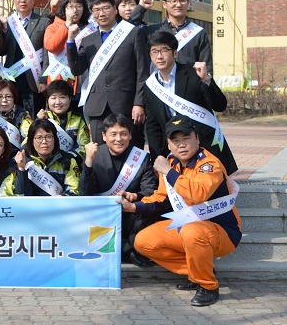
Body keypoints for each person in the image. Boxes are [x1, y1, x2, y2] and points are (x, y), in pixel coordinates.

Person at [124, 117, 241, 307]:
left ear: (197, 138)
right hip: (188, 227)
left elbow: (198, 194)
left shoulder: (209, 164)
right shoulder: (172, 163)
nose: (181, 145)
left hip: (222, 232)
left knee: (192, 231)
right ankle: (198, 271)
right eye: (175, 140)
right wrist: (135, 205)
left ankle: (208, 286)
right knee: (143, 241)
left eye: (186, 138)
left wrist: (168, 172)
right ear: (169, 144)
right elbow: (161, 198)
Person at [144, 31, 237, 174]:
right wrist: (157, 158)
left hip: (204, 147)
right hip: (174, 151)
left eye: (164, 50)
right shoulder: (150, 85)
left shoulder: (194, 73)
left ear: (175, 53)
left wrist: (207, 80)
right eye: (154, 51)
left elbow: (220, 105)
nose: (159, 56)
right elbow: (153, 126)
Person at [67, 0, 149, 146]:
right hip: (97, 105)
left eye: (106, 8)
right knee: (100, 152)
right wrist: (70, 41)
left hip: (126, 104)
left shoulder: (133, 33)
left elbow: (142, 71)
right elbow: (77, 69)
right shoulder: (87, 40)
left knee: (130, 148)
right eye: (96, 10)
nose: (102, 13)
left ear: (115, 9)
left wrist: (139, 103)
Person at [78, 113, 157, 267]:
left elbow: (149, 190)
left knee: (150, 208)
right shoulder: (94, 155)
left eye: (123, 134)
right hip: (101, 213)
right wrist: (88, 163)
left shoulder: (141, 157)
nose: (118, 139)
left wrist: (134, 196)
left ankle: (130, 250)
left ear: (130, 135)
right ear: (104, 136)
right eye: (113, 134)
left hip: (129, 212)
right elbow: (85, 193)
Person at [142, 0, 213, 72]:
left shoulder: (198, 33)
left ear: (188, 2)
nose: (178, 5)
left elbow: (207, 68)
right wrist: (141, 9)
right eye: (173, 1)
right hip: (158, 80)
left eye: (182, 0)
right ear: (164, 4)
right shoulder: (151, 31)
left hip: (188, 80)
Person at [4, 0, 49, 115]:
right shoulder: (8, 22)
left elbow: (47, 54)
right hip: (13, 78)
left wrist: (43, 79)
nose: (23, 0)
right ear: (14, 0)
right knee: (12, 116)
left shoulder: (43, 22)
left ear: (33, 0)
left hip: (34, 79)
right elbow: (2, 50)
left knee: (35, 118)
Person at [15, 118, 81, 196]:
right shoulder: (24, 161)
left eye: (48, 137)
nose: (44, 142)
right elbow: (21, 195)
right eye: (39, 138)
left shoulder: (68, 161)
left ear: (55, 139)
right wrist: (21, 170)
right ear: (32, 141)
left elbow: (74, 191)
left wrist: (63, 197)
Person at [43, 0, 89, 95]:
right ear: (64, 9)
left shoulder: (90, 28)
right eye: (70, 7)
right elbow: (51, 47)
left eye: (79, 6)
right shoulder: (53, 27)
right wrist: (67, 25)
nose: (75, 10)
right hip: (61, 81)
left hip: (85, 81)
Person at [37, 79, 90, 159]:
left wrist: (68, 159)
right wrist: (38, 122)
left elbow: (83, 146)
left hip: (70, 163)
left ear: (70, 99)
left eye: (62, 97)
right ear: (47, 100)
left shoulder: (79, 120)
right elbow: (29, 143)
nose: (58, 102)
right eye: (53, 98)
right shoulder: (43, 118)